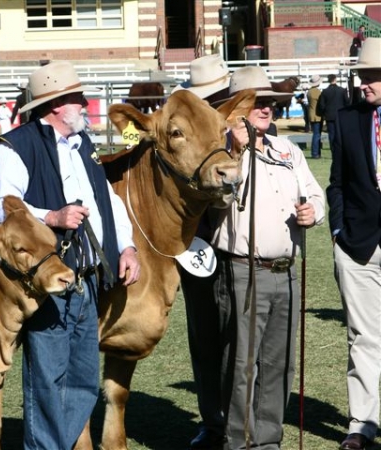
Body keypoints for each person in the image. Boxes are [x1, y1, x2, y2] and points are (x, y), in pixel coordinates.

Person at [0, 61, 140, 449]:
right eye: (77, 97)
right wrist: (50, 217)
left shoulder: (83, 144)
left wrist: (126, 245)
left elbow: (108, 202)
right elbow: (0, 208)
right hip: (48, 279)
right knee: (49, 378)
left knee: (84, 379)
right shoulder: (17, 145)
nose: (85, 102)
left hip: (88, 276)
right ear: (55, 104)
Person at [211, 66, 326, 450]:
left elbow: (315, 193)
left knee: (279, 364)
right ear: (234, 110)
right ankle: (238, 442)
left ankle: (267, 441)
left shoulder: (288, 150)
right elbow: (219, 198)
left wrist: (314, 211)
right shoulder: (221, 157)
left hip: (286, 272)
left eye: (271, 102)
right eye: (256, 102)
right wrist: (238, 150)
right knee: (241, 364)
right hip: (244, 272)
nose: (267, 109)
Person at [174, 53, 231, 450]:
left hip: (243, 245)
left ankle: (240, 417)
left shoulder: (248, 128)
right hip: (197, 242)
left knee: (240, 339)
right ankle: (212, 421)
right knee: (203, 335)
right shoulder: (184, 127)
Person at [327, 37, 381, 450]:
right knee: (363, 336)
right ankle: (362, 424)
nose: (364, 83)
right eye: (362, 75)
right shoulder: (346, 119)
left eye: (373, 76)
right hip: (358, 247)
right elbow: (338, 183)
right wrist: (339, 234)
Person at [318, 74, 349, 149]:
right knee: (340, 133)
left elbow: (321, 105)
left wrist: (324, 113)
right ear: (335, 79)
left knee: (331, 134)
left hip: (329, 115)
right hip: (340, 115)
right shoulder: (342, 90)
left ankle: (333, 149)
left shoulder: (325, 91)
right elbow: (347, 102)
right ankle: (341, 148)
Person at [308, 74, 323, 158]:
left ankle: (316, 152)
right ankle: (315, 153)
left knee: (316, 134)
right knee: (317, 135)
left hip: (311, 114)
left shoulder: (310, 91)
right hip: (317, 115)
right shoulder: (317, 92)